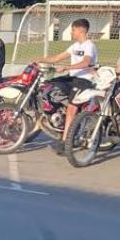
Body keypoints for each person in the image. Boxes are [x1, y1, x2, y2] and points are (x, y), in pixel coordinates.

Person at [37, 18, 97, 147]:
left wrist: (66, 67)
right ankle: (61, 120)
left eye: (73, 30)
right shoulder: (75, 46)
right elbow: (58, 57)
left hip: (84, 80)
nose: (71, 33)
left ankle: (66, 141)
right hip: (73, 78)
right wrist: (40, 60)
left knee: (72, 108)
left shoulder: (89, 45)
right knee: (49, 86)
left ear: (81, 30)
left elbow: (86, 63)